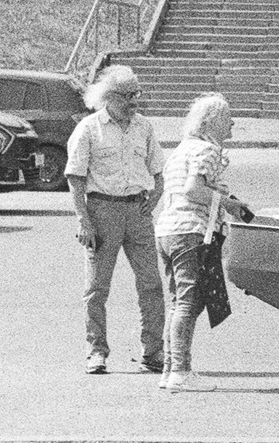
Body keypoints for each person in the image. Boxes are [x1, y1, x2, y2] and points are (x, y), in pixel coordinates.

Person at [65, 65, 167, 375]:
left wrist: (156, 195)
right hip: (102, 211)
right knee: (97, 288)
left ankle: (153, 351)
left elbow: (158, 168)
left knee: (151, 283)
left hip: (137, 212)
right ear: (108, 97)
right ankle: (96, 352)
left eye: (137, 93)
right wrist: (83, 219)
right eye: (127, 95)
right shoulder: (89, 128)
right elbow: (75, 177)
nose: (134, 101)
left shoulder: (144, 127)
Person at [153, 93, 253, 393]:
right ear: (210, 121)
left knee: (178, 302)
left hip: (167, 231)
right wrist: (229, 204)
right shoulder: (207, 149)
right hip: (191, 232)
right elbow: (194, 190)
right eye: (228, 116)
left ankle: (171, 369)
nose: (233, 121)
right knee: (189, 302)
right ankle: (181, 371)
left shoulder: (182, 149)